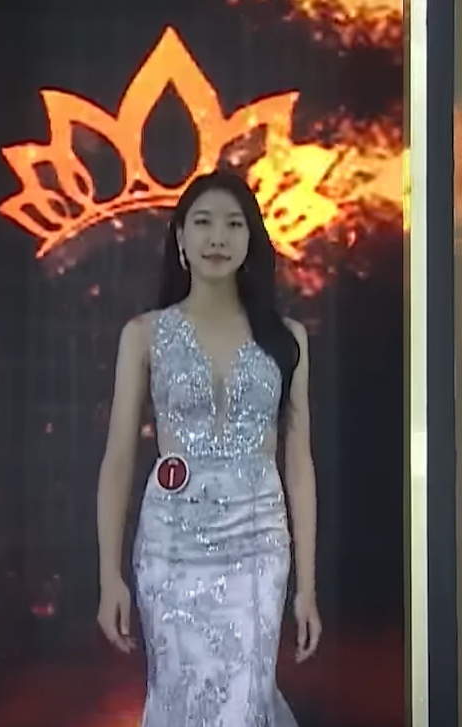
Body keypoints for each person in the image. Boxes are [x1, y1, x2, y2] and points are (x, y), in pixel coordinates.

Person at [95, 170, 322, 725]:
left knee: (244, 702)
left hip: (257, 545)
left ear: (251, 239)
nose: (217, 237)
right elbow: (119, 459)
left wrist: (307, 587)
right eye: (202, 223)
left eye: (233, 224)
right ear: (180, 237)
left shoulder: (286, 338)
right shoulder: (144, 334)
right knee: (180, 698)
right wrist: (108, 576)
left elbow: (298, 464)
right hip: (170, 548)